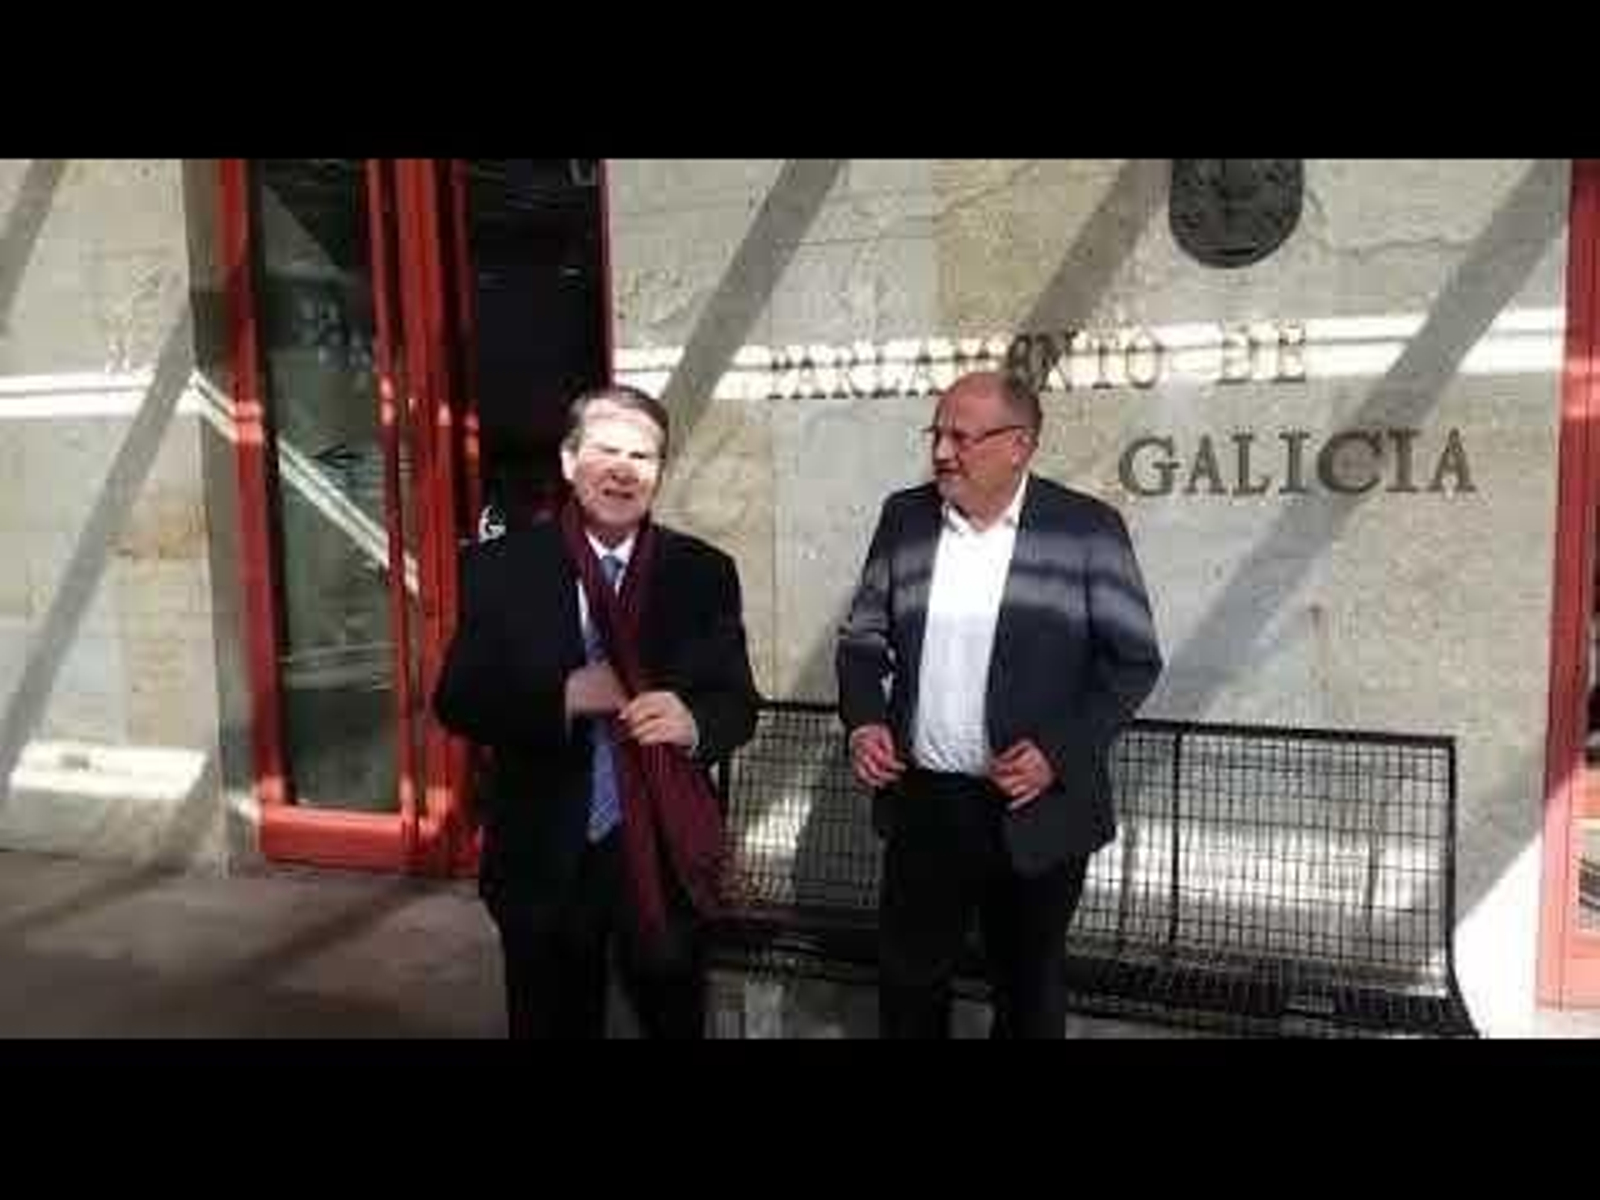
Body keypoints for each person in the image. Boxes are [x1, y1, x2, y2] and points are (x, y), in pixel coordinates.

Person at [836, 369, 1163, 1039]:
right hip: (926, 805)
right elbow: (863, 639)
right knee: (909, 982)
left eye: (962, 436)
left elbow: (1132, 661)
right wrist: (865, 718)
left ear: (1020, 445)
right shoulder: (906, 517)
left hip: (1032, 808)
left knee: (1027, 988)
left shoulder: (1086, 529)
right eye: (937, 433)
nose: (942, 452)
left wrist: (1058, 753)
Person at [433, 384, 758, 1039]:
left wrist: (696, 725)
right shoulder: (501, 570)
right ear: (567, 461)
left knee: (674, 1021)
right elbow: (458, 698)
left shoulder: (702, 572)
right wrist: (563, 696)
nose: (622, 469)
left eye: (642, 456)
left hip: (662, 859)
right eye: (606, 450)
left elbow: (737, 703)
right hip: (543, 856)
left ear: (660, 472)